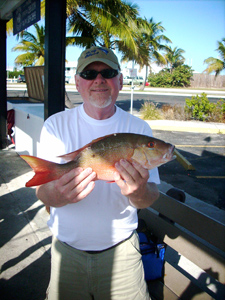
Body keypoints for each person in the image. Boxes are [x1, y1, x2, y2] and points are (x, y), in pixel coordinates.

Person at [36, 46, 160, 300]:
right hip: (66, 253)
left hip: (124, 253)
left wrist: (139, 194)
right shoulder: (55, 126)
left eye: (108, 72)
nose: (99, 79)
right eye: (90, 73)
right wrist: (59, 195)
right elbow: (43, 193)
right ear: (78, 83)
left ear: (120, 81)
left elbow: (150, 197)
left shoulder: (139, 128)